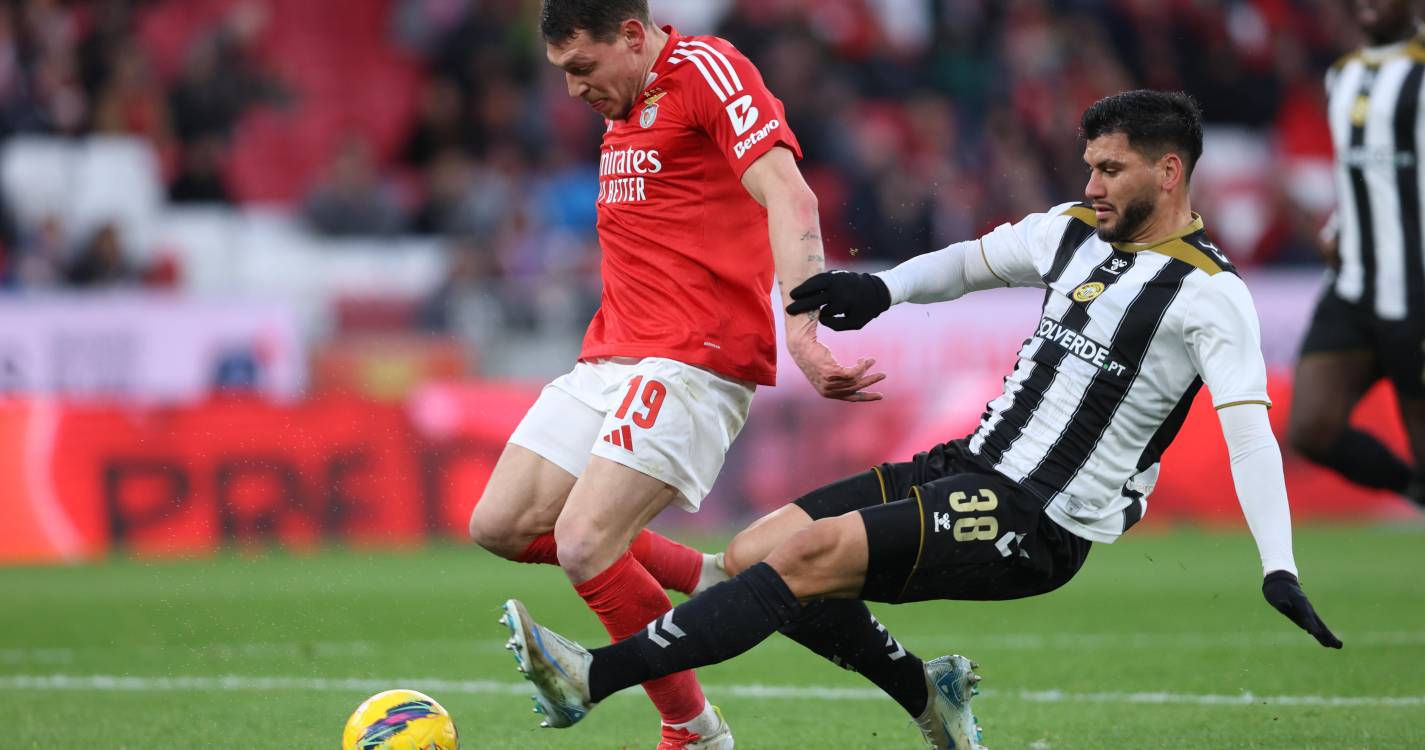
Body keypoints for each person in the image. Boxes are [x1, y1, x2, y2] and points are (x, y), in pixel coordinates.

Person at [497, 90, 1343, 750]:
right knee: (752, 553)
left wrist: (1278, 565)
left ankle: (593, 677)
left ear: (1168, 172)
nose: (1090, 186)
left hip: (1037, 519)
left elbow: (1248, 435)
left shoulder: (1210, 296)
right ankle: (923, 692)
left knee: (805, 558)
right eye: (1088, 166)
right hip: (965, 464)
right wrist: (880, 288)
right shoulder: (1069, 234)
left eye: (1109, 170)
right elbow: (969, 263)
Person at [467, 1, 883, 748]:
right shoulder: (624, 99)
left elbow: (790, 193)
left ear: (632, 36)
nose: (572, 90)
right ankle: (709, 579)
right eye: (562, 73)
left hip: (694, 356)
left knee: (585, 542)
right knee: (500, 524)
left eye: (582, 68)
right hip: (610, 353)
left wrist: (802, 329)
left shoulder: (708, 71)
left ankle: (692, 730)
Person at [1288, 0, 1425, 509]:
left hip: (1416, 293)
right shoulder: (1341, 75)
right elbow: (1360, 177)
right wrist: (1338, 227)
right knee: (1311, 428)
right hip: (1353, 287)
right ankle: (1413, 491)